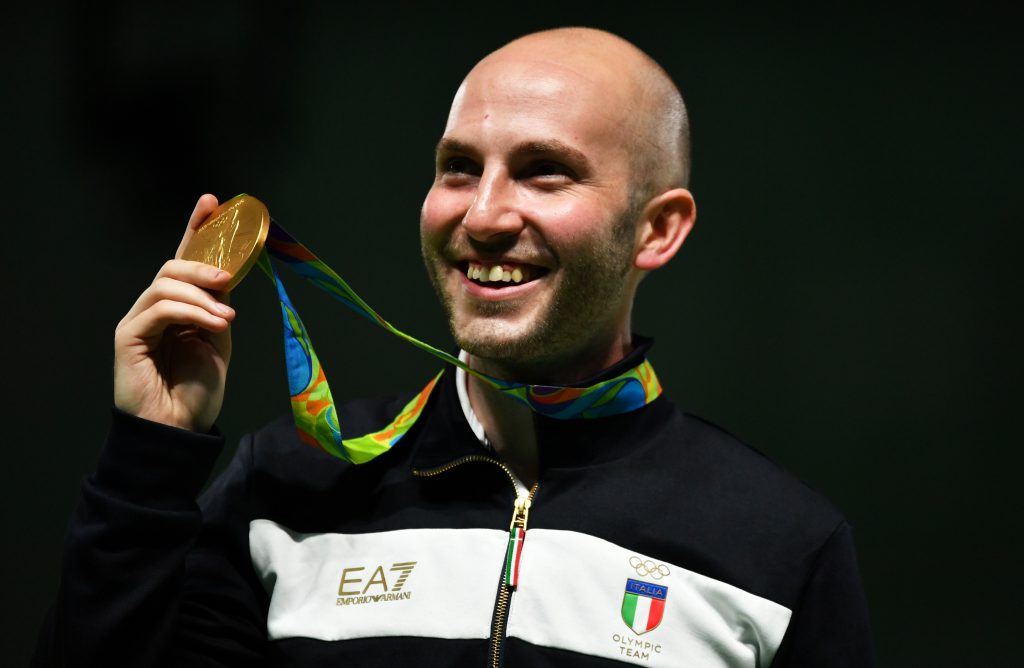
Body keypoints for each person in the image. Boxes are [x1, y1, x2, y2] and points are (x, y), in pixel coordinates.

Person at [35, 27, 874, 667]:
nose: (483, 216)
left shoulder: (777, 546)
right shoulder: (288, 491)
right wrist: (151, 454)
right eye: (460, 168)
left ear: (657, 229)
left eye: (545, 171)